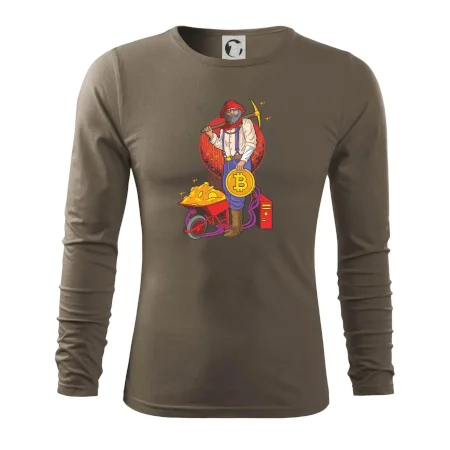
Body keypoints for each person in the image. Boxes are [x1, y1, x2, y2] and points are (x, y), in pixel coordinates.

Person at [202, 100, 257, 238]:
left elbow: (251, 143)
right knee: (229, 192)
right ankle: (237, 227)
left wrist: (243, 160)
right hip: (227, 163)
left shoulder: (246, 123)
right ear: (225, 114)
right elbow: (222, 146)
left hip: (241, 162)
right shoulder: (224, 129)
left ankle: (236, 228)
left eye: (234, 110)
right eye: (229, 111)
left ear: (239, 111)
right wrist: (211, 136)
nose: (232, 113)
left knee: (237, 193)